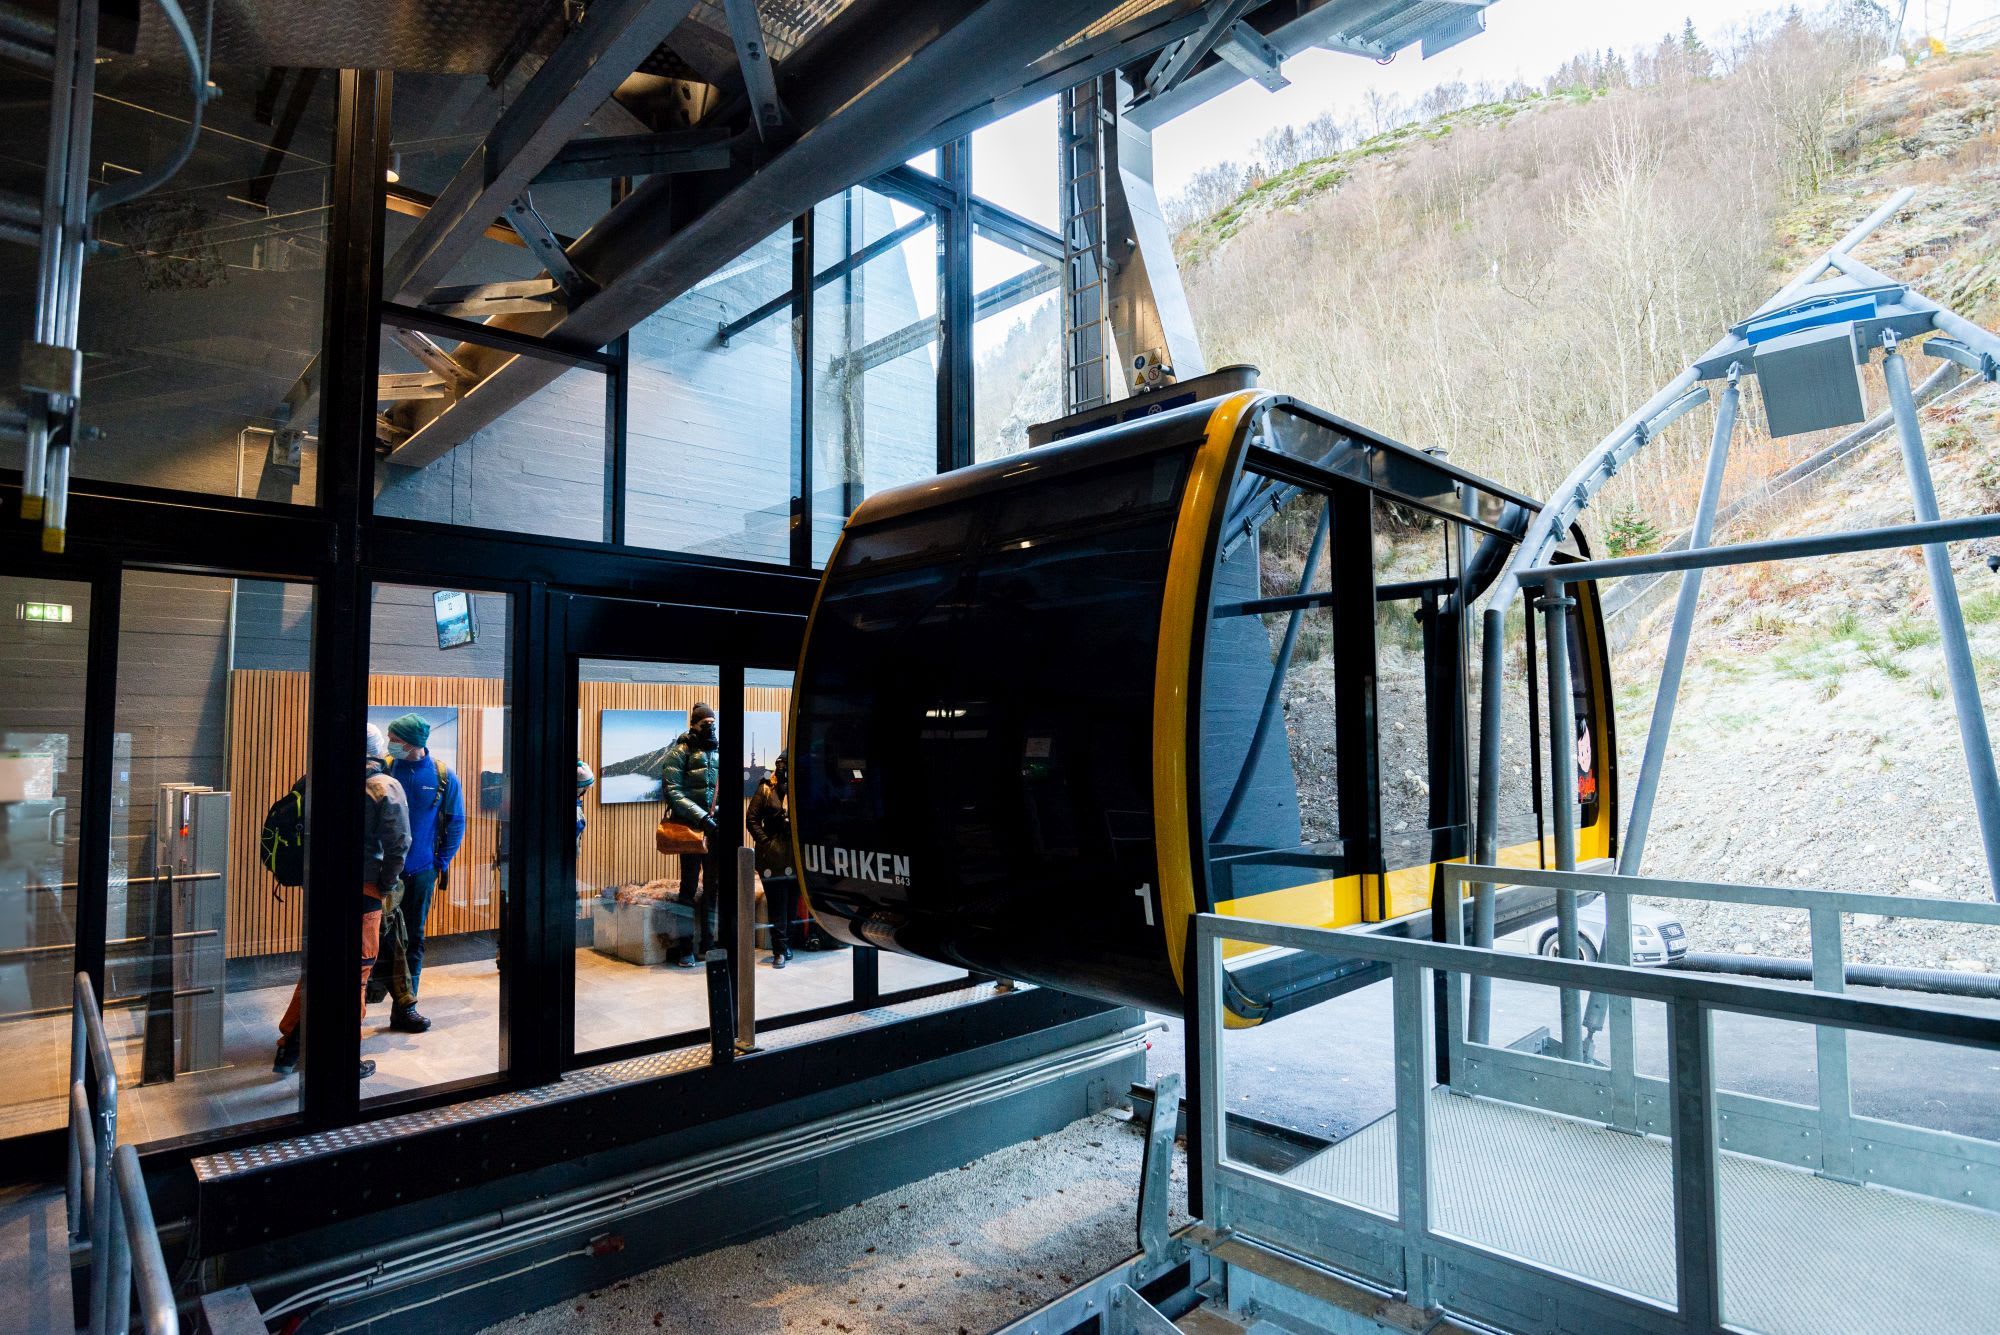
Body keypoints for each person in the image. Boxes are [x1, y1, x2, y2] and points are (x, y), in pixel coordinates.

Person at [273, 725, 410, 1080]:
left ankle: (290, 1048)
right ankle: (345, 1054)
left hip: (320, 889)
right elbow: (399, 844)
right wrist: (385, 885)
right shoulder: (383, 786)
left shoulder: (313, 779)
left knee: (318, 968)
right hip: (364, 892)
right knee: (356, 973)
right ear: (377, 749)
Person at [369, 712, 465, 1032]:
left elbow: (456, 823)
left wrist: (439, 864)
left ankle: (405, 1009)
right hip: (382, 873)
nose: (389, 744)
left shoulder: (442, 776)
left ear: (412, 743)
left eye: (395, 740)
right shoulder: (384, 768)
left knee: (414, 939)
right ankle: (366, 999)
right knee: (373, 938)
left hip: (421, 872)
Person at [663, 702, 720, 968]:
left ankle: (708, 943)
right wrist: (702, 817)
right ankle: (685, 948)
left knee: (712, 887)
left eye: (713, 723)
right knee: (687, 887)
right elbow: (673, 791)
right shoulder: (680, 752)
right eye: (705, 724)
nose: (710, 728)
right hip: (691, 828)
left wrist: (716, 817)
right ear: (694, 725)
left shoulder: (717, 751)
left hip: (714, 828)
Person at [746, 750, 795, 968]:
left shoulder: (797, 788)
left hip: (794, 854)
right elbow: (752, 819)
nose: (783, 768)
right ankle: (779, 950)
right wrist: (766, 842)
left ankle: (787, 945)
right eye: (780, 764)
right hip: (773, 854)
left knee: (791, 903)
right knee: (777, 903)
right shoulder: (766, 788)